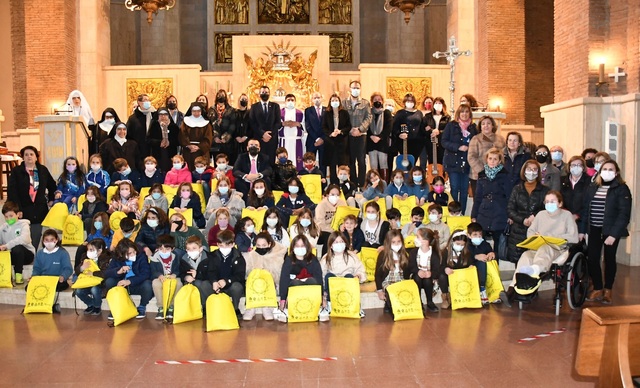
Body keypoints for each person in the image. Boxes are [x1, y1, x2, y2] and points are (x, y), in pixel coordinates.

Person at [501, 191, 579, 306]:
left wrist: (552, 237)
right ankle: (513, 289)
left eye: (552, 201)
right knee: (525, 256)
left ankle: (535, 272)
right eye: (547, 202)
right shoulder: (541, 215)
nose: (549, 204)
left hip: (557, 248)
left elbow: (574, 237)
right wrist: (535, 236)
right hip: (537, 247)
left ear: (560, 203)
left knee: (545, 249)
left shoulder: (566, 216)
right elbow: (530, 232)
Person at [581, 160, 631, 304]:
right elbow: (586, 210)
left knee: (609, 260)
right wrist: (583, 230)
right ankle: (597, 287)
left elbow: (624, 214)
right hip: (594, 228)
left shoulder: (621, 189)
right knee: (592, 258)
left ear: (616, 173)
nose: (607, 171)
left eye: (611, 169)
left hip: (610, 230)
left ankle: (608, 289)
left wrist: (614, 234)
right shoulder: (593, 187)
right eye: (605, 168)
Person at [7, 146, 57, 248]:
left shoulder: (42, 170)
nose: (29, 157)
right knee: (23, 236)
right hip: (23, 209)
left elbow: (52, 185)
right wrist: (17, 209)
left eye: (31, 154)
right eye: (26, 155)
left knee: (36, 236)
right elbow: (12, 191)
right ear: (23, 157)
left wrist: (51, 199)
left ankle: (33, 255)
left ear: (36, 157)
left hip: (39, 208)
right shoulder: (17, 171)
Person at [506, 160, 550, 263]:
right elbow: (510, 209)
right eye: (529, 169)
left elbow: (547, 208)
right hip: (518, 232)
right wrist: (522, 220)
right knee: (519, 263)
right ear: (524, 171)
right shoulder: (517, 189)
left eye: (535, 169)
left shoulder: (545, 190)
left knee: (535, 263)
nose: (532, 172)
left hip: (537, 230)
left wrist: (535, 216)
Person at [471, 147, 510, 260]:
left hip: (500, 211)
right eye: (490, 158)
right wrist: (474, 215)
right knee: (480, 242)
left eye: (495, 159)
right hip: (484, 210)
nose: (492, 161)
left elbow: (508, 196)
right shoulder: (482, 175)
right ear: (486, 159)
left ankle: (495, 270)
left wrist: (509, 214)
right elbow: (477, 196)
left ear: (499, 161)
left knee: (497, 244)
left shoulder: (505, 175)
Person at [197, 230, 246, 315]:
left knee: (237, 287)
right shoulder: (212, 256)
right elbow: (211, 271)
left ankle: (235, 309)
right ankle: (208, 307)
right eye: (221, 246)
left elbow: (239, 275)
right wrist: (214, 281)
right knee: (204, 284)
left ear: (233, 244)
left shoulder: (239, 257)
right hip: (216, 284)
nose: (224, 248)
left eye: (227, 246)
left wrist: (227, 281)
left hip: (230, 285)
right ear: (218, 245)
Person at [277, 235, 324, 323]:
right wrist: (283, 299)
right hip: (295, 287)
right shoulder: (289, 260)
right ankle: (288, 308)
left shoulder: (313, 259)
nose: (300, 248)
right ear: (293, 247)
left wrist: (322, 296)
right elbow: (284, 279)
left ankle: (316, 308)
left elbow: (318, 277)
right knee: (296, 283)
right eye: (297, 246)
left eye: (302, 246)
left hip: (310, 287)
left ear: (307, 247)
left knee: (312, 280)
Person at [320, 231, 367, 317]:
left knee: (349, 276)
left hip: (347, 283)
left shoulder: (352, 256)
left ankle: (356, 306)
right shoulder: (326, 258)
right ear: (331, 245)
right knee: (328, 276)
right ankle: (329, 305)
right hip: (333, 285)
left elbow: (360, 269)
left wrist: (358, 276)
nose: (339, 244)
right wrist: (323, 293)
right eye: (336, 242)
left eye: (341, 242)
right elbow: (321, 275)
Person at [242, 232, 287, 321]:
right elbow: (247, 273)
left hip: (272, 283)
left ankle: (267, 307)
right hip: (255, 284)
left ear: (269, 244)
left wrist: (267, 275)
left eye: (264, 245)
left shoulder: (277, 256)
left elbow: (279, 275)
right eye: (258, 245)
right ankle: (251, 307)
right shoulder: (251, 255)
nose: (261, 248)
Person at [442, 103, 477, 214]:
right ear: (458, 113)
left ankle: (462, 213)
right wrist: (457, 147)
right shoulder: (451, 126)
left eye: (467, 112)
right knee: (454, 188)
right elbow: (444, 142)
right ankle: (453, 213)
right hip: (453, 162)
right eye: (462, 112)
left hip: (467, 164)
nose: (464, 114)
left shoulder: (473, 128)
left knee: (464, 190)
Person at [104, 239, 153, 319]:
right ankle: (116, 308)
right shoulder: (116, 258)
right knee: (109, 281)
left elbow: (146, 274)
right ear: (121, 254)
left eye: (134, 251)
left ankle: (142, 306)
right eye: (130, 253)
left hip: (136, 284)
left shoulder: (141, 256)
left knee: (148, 284)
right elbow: (106, 273)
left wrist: (130, 281)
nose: (134, 254)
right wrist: (118, 271)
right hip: (122, 286)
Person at [30, 229, 73, 307]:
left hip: (57, 280)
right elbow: (36, 268)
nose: (49, 242)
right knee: (29, 287)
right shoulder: (40, 253)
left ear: (56, 240)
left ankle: (51, 305)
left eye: (52, 240)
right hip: (44, 280)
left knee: (54, 288)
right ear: (43, 241)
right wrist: (34, 276)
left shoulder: (63, 253)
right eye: (46, 240)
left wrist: (63, 276)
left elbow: (68, 268)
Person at [374, 230, 411, 313]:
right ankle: (388, 303)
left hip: (400, 280)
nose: (397, 244)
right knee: (391, 293)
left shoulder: (404, 254)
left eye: (398, 241)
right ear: (388, 243)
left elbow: (407, 273)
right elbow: (377, 274)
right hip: (388, 281)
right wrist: (379, 290)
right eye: (393, 242)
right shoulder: (383, 255)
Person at [343, 81, 372, 188]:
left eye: (357, 88)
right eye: (353, 87)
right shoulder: (344, 103)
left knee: (361, 160)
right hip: (349, 135)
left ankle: (362, 183)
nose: (355, 89)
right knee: (351, 160)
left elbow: (368, 118)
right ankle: (353, 183)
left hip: (361, 135)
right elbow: (342, 118)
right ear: (350, 89)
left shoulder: (365, 103)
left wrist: (360, 129)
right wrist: (350, 129)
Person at [467, 116, 505, 196]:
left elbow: (504, 155)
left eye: (488, 123)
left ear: (493, 126)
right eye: (483, 124)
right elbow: (471, 157)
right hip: (478, 175)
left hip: (497, 175)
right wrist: (483, 171)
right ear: (480, 127)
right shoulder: (476, 139)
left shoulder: (500, 139)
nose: (486, 126)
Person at [0, 202, 36, 285]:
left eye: (11, 216)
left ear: (18, 214)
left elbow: (24, 239)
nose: (9, 219)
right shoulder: (3, 228)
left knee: (17, 248)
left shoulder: (24, 225)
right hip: (11, 255)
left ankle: (18, 275)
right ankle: (4, 277)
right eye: (6, 217)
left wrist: (7, 245)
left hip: (26, 255)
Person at [73, 238, 111, 315]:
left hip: (101, 284)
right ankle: (91, 304)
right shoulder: (85, 258)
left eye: (91, 250)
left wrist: (94, 273)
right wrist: (81, 268)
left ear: (100, 250)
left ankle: (97, 306)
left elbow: (107, 273)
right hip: (87, 282)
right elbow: (77, 271)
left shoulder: (107, 259)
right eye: (88, 250)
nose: (88, 252)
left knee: (94, 289)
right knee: (78, 291)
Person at [438, 230, 474, 309]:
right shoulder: (444, 252)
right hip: (449, 278)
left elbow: (471, 263)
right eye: (458, 244)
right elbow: (439, 266)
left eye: (462, 245)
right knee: (441, 276)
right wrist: (445, 269)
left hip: (462, 279)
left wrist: (471, 266)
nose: (460, 246)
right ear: (452, 241)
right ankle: (446, 298)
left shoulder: (467, 253)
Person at [150, 235, 183, 320]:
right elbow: (153, 271)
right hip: (161, 278)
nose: (164, 252)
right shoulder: (154, 257)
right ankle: (161, 307)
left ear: (172, 249)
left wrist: (175, 274)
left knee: (179, 283)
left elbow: (179, 269)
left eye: (167, 249)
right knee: (155, 284)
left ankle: (172, 306)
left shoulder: (176, 257)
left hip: (173, 277)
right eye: (161, 249)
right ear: (158, 249)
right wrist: (159, 275)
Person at [409, 227, 441, 313]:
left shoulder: (434, 255)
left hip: (430, 279)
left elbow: (437, 270)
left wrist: (431, 273)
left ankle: (430, 302)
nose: (415, 239)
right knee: (417, 278)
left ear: (426, 241)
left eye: (418, 237)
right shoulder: (413, 252)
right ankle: (418, 301)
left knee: (427, 280)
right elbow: (411, 266)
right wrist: (418, 271)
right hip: (417, 277)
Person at [322, 93, 351, 184]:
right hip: (331, 142)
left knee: (342, 163)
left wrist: (341, 131)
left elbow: (348, 126)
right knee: (332, 164)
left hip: (342, 141)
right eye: (333, 100)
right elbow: (324, 126)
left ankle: (343, 183)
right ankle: (334, 183)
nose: (335, 102)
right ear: (330, 102)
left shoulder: (344, 113)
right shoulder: (326, 113)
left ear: (339, 102)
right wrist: (331, 133)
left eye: (336, 100)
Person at [249, 85, 282, 164]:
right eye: (263, 92)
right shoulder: (254, 107)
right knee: (259, 161)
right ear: (259, 94)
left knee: (271, 160)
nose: (265, 94)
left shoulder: (275, 106)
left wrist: (269, 134)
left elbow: (278, 122)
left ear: (269, 94)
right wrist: (263, 134)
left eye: (266, 92)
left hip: (272, 138)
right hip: (259, 138)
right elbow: (252, 123)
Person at [392, 93, 424, 169]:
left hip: (417, 143)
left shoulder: (419, 113)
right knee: (405, 164)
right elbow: (394, 127)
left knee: (413, 163)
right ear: (404, 102)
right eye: (408, 101)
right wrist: (399, 134)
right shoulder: (400, 113)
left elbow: (422, 127)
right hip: (404, 143)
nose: (410, 102)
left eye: (411, 101)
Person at [467, 222, 496, 304]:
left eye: (480, 235)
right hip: (471, 266)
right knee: (481, 263)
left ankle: (492, 291)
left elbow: (490, 251)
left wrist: (491, 253)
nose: (478, 237)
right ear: (469, 235)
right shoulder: (466, 245)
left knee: (488, 263)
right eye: (475, 235)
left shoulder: (485, 244)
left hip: (483, 267)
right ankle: (482, 289)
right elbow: (464, 258)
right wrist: (475, 257)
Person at [62, 90, 95, 159]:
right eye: (74, 98)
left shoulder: (85, 108)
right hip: (70, 136)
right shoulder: (67, 108)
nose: (76, 100)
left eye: (78, 98)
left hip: (84, 136)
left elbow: (90, 122)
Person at [367, 92, 392, 182]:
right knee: (373, 165)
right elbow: (366, 125)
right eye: (375, 100)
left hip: (382, 143)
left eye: (379, 100)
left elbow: (389, 127)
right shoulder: (368, 112)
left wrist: (380, 137)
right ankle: (375, 185)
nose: (377, 101)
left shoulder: (386, 113)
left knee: (383, 164)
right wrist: (371, 136)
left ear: (382, 101)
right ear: (372, 102)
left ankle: (384, 185)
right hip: (371, 142)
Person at [125, 93, 156, 166]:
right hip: (139, 149)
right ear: (139, 102)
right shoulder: (133, 118)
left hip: (152, 148)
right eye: (145, 100)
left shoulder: (154, 115)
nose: (147, 102)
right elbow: (129, 134)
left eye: (148, 100)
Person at [180, 103, 213, 170]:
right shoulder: (186, 121)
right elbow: (182, 135)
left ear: (201, 111)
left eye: (198, 111)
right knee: (188, 170)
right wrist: (188, 145)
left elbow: (208, 137)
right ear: (191, 111)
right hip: (188, 151)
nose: (196, 113)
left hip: (202, 151)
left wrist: (199, 147)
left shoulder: (206, 123)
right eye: (194, 111)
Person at [315, 184, 347, 252]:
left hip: (338, 229)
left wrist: (342, 226)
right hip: (322, 231)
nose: (335, 197)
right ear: (327, 195)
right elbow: (320, 225)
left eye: (337, 195)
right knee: (329, 237)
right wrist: (335, 230)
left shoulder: (343, 203)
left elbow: (345, 218)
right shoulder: (321, 205)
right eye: (332, 194)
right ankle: (325, 259)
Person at [148, 108, 179, 173]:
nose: (163, 116)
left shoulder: (174, 126)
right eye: (161, 115)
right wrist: (159, 142)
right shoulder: (154, 125)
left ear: (168, 115)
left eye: (165, 114)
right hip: (157, 153)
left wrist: (169, 142)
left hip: (170, 153)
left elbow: (178, 141)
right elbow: (148, 140)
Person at [278, 94, 305, 170]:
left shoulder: (300, 113)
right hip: (284, 140)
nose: (290, 101)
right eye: (288, 100)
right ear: (285, 102)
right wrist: (283, 124)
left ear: (295, 102)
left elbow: (305, 125)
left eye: (292, 100)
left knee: (297, 160)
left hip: (296, 141)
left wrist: (298, 124)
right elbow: (276, 124)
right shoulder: (280, 112)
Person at [560, 155, 590, 223]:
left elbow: (588, 202)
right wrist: (566, 213)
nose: (576, 167)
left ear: (583, 167)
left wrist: (578, 215)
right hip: (564, 218)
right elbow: (559, 198)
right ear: (569, 167)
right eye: (573, 165)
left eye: (579, 165)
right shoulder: (562, 180)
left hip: (583, 219)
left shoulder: (589, 181)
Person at [422, 96, 450, 166]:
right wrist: (431, 131)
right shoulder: (427, 116)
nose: (438, 105)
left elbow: (448, 130)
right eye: (436, 103)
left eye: (439, 103)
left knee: (441, 163)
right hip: (430, 143)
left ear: (443, 105)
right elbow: (424, 129)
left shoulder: (447, 117)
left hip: (442, 143)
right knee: (432, 163)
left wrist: (439, 132)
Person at [210, 94, 237, 164]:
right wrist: (215, 137)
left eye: (222, 95)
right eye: (219, 95)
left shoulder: (231, 110)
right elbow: (210, 125)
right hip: (215, 144)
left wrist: (226, 137)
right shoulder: (211, 110)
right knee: (217, 165)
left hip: (228, 143)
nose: (220, 97)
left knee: (229, 165)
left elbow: (233, 124)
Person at [304, 92, 326, 172]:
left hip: (324, 141)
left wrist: (322, 138)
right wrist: (316, 139)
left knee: (323, 163)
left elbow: (328, 126)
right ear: (312, 99)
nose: (317, 99)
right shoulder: (308, 110)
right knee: (309, 162)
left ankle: (323, 181)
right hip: (312, 140)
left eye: (318, 97)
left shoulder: (326, 110)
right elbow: (308, 126)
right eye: (315, 98)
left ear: (322, 98)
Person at [234, 93, 251, 158]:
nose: (244, 100)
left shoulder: (250, 113)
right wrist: (236, 136)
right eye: (242, 99)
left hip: (247, 139)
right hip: (236, 140)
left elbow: (252, 126)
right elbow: (232, 125)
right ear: (239, 100)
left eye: (245, 99)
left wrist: (246, 136)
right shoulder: (234, 112)